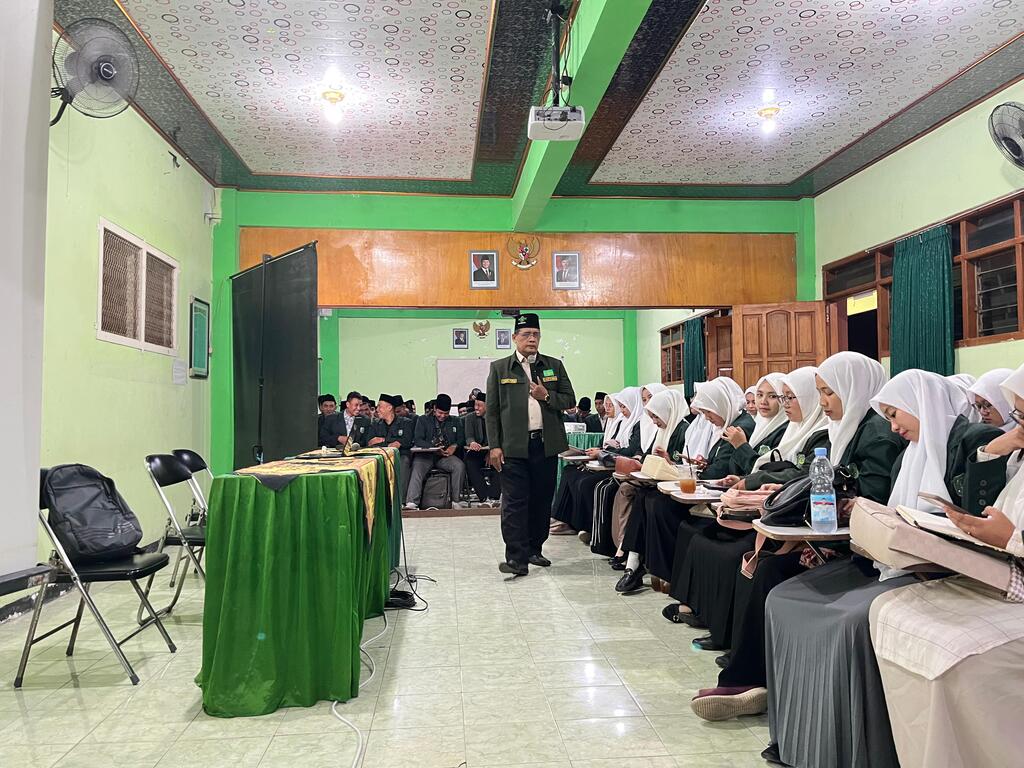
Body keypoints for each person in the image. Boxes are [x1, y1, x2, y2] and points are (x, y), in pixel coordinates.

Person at [759, 368, 999, 768]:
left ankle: (847, 751)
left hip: (939, 570)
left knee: (848, 620)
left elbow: (975, 512)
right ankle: (799, 739)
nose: (892, 427)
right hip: (891, 559)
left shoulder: (967, 441)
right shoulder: (909, 455)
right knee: (784, 598)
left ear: (920, 405)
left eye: (894, 415)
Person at [685, 353, 904, 727]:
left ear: (853, 389)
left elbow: (870, 498)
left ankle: (749, 680)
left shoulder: (875, 434)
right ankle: (749, 677)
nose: (823, 402)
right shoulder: (845, 428)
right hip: (836, 539)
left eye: (829, 392)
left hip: (863, 551)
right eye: (819, 393)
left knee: (772, 571)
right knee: (765, 566)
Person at [869, 365, 1024, 768]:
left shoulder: (968, 438)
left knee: (953, 652)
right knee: (887, 609)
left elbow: (1008, 530)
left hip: (1014, 582)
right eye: (1019, 416)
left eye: (1021, 416)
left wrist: (1010, 539)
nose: (1017, 427)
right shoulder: (1018, 457)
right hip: (1003, 573)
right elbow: (994, 508)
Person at [663, 367, 829, 646]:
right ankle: (702, 610)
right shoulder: (789, 429)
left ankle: (724, 630)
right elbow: (765, 469)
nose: (767, 402)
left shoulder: (815, 433)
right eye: (774, 396)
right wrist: (741, 478)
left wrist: (745, 465)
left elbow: (791, 474)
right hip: (764, 508)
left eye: (781, 397)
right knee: (701, 537)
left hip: (785, 518)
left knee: (727, 551)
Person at [614, 378, 752, 592]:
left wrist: (692, 469)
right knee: (644, 497)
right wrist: (695, 465)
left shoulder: (737, 428)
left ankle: (663, 570)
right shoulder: (722, 425)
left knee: (658, 503)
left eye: (708, 412)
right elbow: (714, 463)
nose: (706, 418)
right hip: (704, 484)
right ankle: (637, 563)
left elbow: (721, 469)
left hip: (720, 493)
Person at [486, 313, 576, 576]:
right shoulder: (500, 368)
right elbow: (492, 412)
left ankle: (535, 549)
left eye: (536, 334)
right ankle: (516, 558)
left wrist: (546, 395)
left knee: (541, 500)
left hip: (544, 446)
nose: (532, 339)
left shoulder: (553, 366)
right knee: (514, 503)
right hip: (513, 448)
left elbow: (570, 399)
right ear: (515, 338)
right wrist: (494, 446)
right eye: (526, 334)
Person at [404, 394, 466, 510]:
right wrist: (434, 448)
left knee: (459, 465)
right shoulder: (423, 420)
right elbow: (418, 439)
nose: (442, 416)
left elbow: (461, 439)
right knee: (417, 468)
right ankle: (412, 502)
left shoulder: (455, 421)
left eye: (446, 413)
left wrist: (454, 446)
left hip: (445, 457)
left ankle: (455, 500)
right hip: (426, 456)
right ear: (434, 409)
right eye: (440, 413)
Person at [368, 394, 413, 500]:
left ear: (389, 408)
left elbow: (407, 441)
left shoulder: (405, 423)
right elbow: (370, 442)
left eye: (380, 406)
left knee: (404, 462)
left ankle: (401, 500)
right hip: (380, 456)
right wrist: (392, 443)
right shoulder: (375, 424)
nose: (377, 410)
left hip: (400, 455)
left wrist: (382, 441)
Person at [463, 394, 500, 506]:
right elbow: (469, 436)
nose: (476, 408)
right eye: (475, 405)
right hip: (478, 451)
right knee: (469, 460)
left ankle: (494, 497)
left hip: (493, 449)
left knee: (499, 460)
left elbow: (499, 437)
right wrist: (472, 443)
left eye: (479, 405)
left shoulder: (495, 417)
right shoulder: (470, 418)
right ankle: (483, 497)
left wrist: (491, 451)